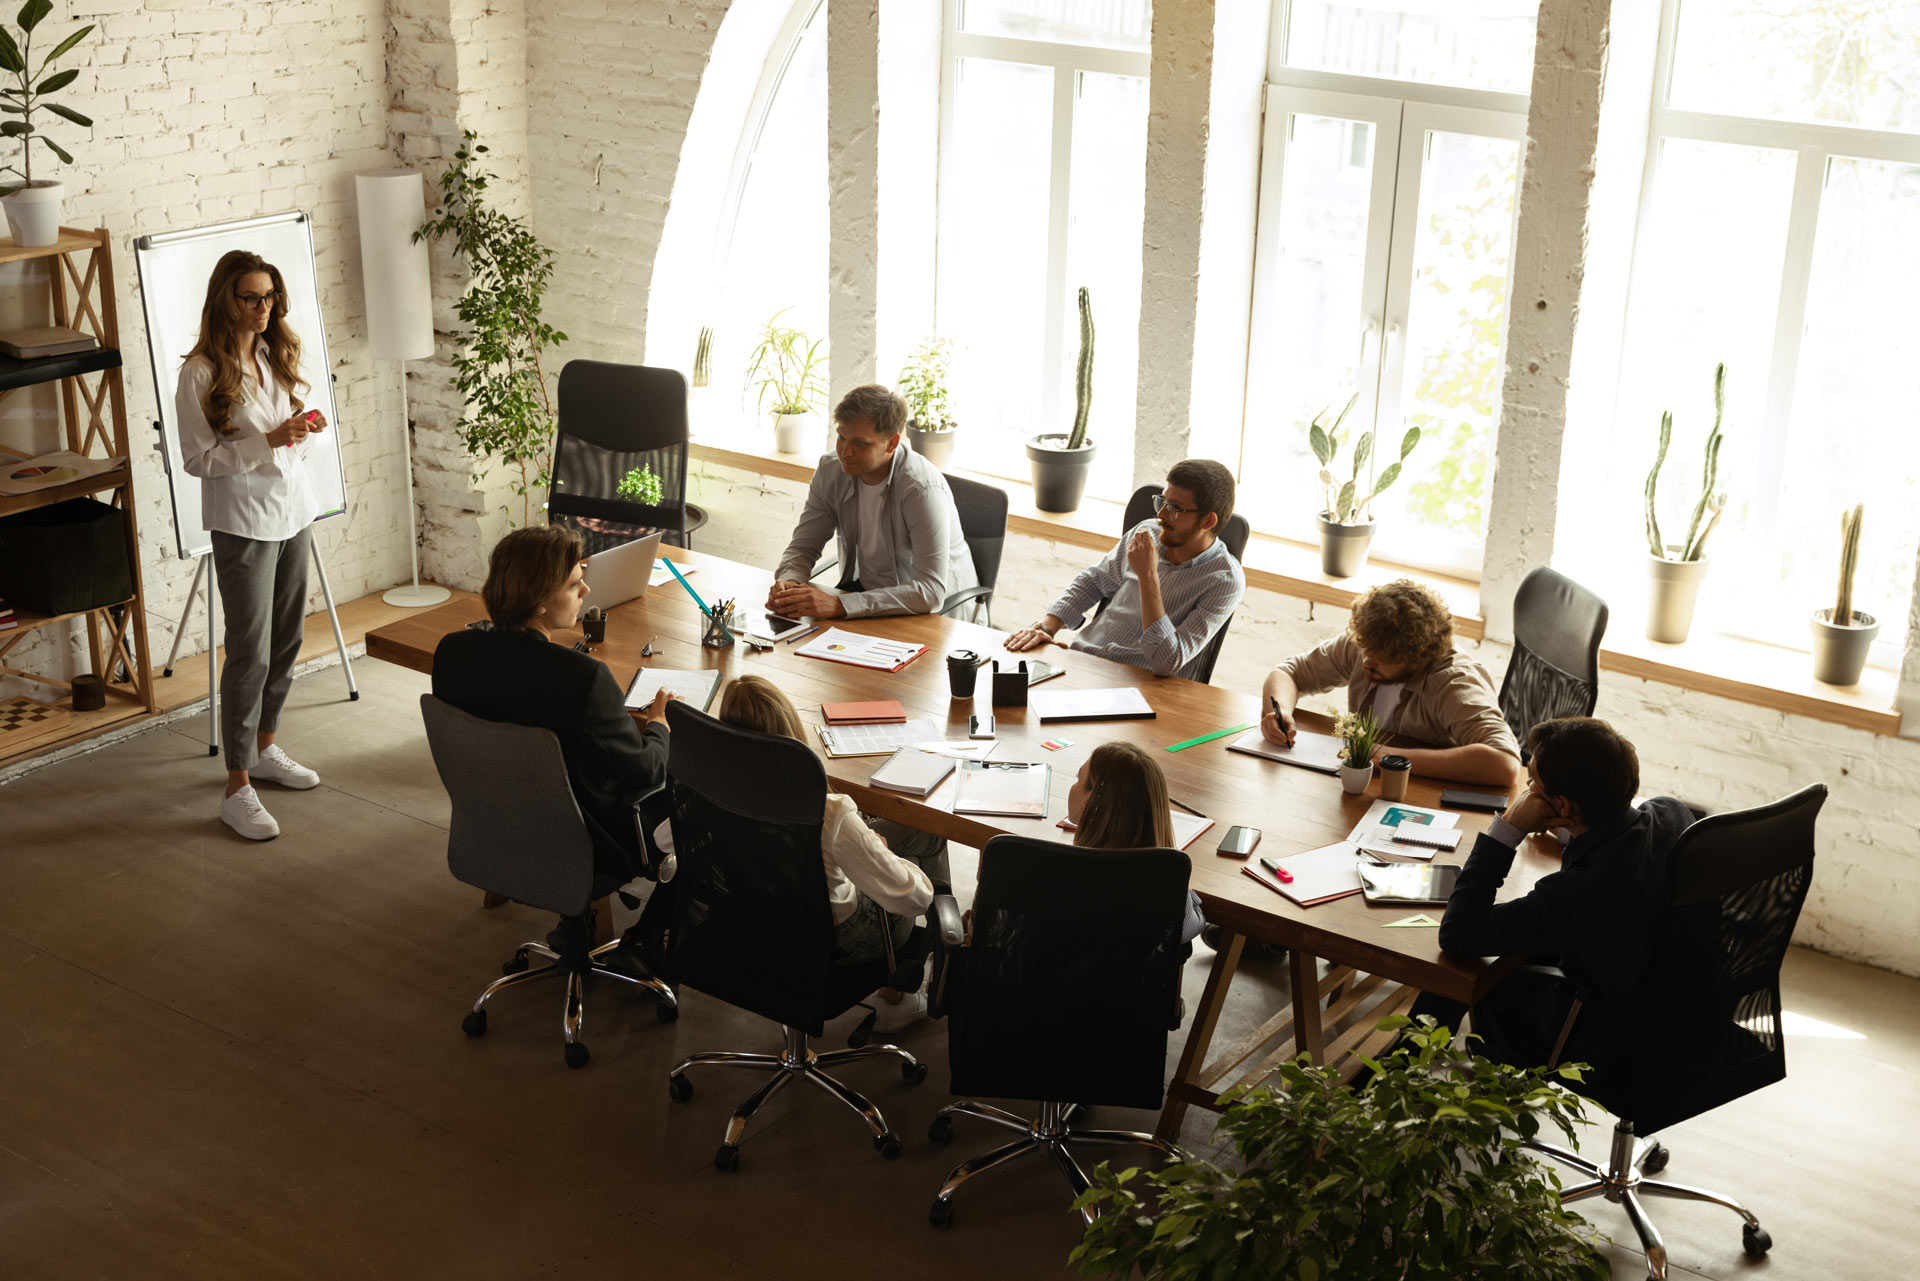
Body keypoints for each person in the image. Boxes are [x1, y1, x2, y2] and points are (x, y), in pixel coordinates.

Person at [651, 675, 945, 1031]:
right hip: (833, 942)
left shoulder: (708, 796)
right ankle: (922, 977)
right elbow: (913, 900)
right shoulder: (830, 812)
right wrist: (886, 855)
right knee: (920, 850)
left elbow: (665, 840)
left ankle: (916, 981)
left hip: (746, 921)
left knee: (909, 832)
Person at [1411, 717, 1690, 1085]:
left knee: (1463, 964)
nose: (1527, 789)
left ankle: (1394, 1077)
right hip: (1678, 1011)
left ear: (1562, 804)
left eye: (1533, 784)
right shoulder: (1672, 814)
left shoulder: (1576, 893)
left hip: (1600, 1034)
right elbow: (1624, 839)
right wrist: (1570, 828)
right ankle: (1404, 1064)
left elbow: (1458, 933)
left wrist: (1507, 829)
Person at [176, 250, 331, 841]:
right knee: (250, 652)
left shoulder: (272, 354)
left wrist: (300, 430)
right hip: (243, 522)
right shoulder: (199, 373)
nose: (263, 307)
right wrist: (267, 441)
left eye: (270, 296)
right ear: (226, 299)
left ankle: (266, 748)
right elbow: (199, 460)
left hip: (295, 513)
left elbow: (285, 441)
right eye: (251, 297)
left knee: (288, 639)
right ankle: (236, 784)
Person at [433, 526, 679, 892]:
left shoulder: (452, 652)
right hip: (588, 836)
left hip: (492, 823)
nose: (586, 590)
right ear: (538, 602)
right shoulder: (583, 678)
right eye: (572, 584)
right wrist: (659, 723)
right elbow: (645, 770)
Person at [1261, 578, 1521, 786]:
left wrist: (1387, 757)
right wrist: (1279, 710)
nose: (1365, 663)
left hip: (1423, 799)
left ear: (1416, 656)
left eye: (1379, 658)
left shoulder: (1455, 682)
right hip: (1366, 789)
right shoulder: (1367, 645)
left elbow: (1505, 763)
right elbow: (1289, 672)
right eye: (1365, 651)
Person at [1006, 460, 1245, 680]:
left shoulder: (1225, 580)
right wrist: (1046, 627)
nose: (1160, 515)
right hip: (1084, 662)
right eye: (1162, 501)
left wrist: (1148, 577)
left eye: (1175, 508)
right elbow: (1094, 581)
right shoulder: (1146, 532)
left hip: (1143, 687)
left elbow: (1167, 661)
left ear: (1208, 522)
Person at [766, 383, 978, 619]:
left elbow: (930, 590)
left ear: (892, 443)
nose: (845, 452)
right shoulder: (831, 470)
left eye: (859, 443)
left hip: (938, 617)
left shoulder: (920, 489)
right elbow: (803, 547)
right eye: (842, 438)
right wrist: (789, 581)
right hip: (869, 604)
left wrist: (841, 604)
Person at [1065, 742, 1205, 945]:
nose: (1074, 784)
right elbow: (1185, 930)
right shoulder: (1165, 885)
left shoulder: (1056, 871)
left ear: (1089, 800)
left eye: (1078, 778)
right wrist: (1190, 899)